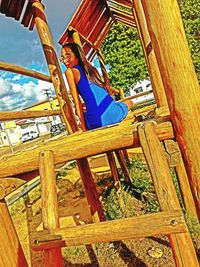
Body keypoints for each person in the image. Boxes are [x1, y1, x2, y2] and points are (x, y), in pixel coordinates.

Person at [61, 42, 133, 130]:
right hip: (114, 114)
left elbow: (77, 102)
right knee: (129, 102)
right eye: (63, 58)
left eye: (68, 56)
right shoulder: (92, 70)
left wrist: (84, 129)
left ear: (77, 55)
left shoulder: (70, 72)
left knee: (82, 112)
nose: (65, 60)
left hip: (97, 122)